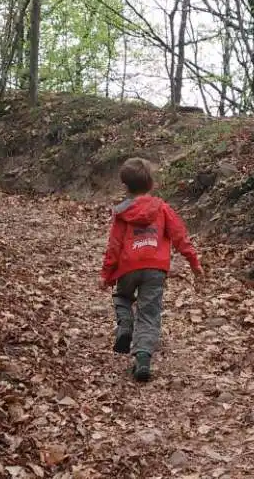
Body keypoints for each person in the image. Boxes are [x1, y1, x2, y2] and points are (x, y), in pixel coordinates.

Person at [101, 158, 203, 382]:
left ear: (125, 187)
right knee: (149, 313)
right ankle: (143, 359)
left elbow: (114, 246)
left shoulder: (121, 213)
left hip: (128, 267)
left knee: (122, 296)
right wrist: (194, 262)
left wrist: (107, 275)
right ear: (152, 184)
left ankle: (126, 324)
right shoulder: (163, 209)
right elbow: (180, 237)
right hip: (156, 269)